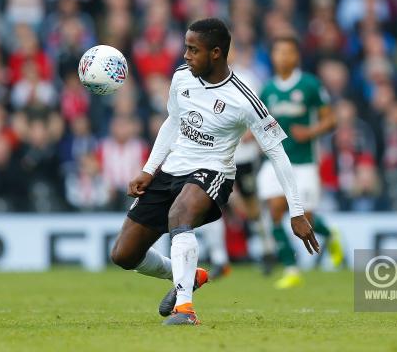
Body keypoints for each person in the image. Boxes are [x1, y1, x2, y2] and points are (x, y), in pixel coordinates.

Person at [110, 18, 318, 326]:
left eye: (193, 50)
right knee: (124, 255)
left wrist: (296, 212)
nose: (185, 55)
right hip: (171, 170)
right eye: (186, 48)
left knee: (180, 216)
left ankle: (185, 309)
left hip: (213, 172)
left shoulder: (245, 99)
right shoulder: (182, 77)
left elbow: (276, 152)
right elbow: (172, 122)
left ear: (216, 53)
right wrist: (149, 169)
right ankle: (188, 275)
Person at [256, 36, 343, 289]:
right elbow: (260, 122)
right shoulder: (268, 90)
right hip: (274, 161)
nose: (283, 57)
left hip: (304, 162)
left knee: (305, 216)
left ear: (296, 57)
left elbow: (331, 120)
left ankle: (330, 233)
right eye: (278, 52)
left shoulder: (310, 85)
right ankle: (291, 268)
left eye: (288, 52)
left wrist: (311, 132)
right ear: (272, 57)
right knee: (275, 209)